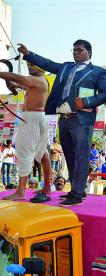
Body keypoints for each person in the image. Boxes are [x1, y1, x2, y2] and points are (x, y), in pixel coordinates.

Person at [19, 41, 106, 207]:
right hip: (65, 118)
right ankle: (78, 189)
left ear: (89, 52)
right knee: (69, 155)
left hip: (82, 119)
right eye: (73, 50)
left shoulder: (98, 71)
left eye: (79, 50)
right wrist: (28, 53)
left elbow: (105, 94)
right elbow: (47, 64)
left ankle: (76, 195)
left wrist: (87, 101)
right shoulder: (66, 67)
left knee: (81, 156)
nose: (75, 53)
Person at [0, 63, 53, 202]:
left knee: (24, 151)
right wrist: (13, 85)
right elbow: (21, 84)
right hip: (38, 118)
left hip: (33, 119)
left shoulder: (37, 80)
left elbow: (15, 77)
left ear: (40, 67)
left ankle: (20, 191)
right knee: (42, 153)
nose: (29, 67)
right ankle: (47, 186)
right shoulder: (39, 82)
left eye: (31, 65)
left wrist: (8, 77)